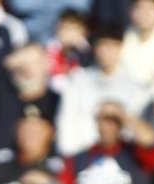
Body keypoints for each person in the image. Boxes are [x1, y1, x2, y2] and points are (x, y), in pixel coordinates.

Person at [54, 24, 148, 158]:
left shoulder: (136, 87)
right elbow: (66, 123)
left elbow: (134, 131)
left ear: (121, 48)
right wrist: (73, 159)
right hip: (81, 158)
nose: (107, 51)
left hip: (121, 158)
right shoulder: (77, 81)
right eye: (103, 45)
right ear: (95, 48)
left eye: (113, 45)